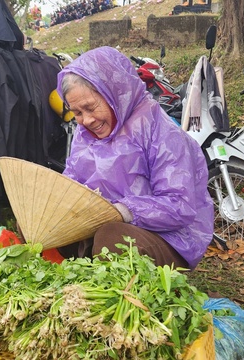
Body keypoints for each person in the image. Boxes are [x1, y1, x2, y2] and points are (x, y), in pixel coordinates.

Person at [55, 46, 214, 270]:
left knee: (112, 238)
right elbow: (71, 182)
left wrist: (124, 211)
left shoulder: (160, 131)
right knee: (41, 227)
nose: (87, 120)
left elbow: (179, 205)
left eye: (90, 108)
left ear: (115, 93)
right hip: (100, 229)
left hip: (166, 239)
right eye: (78, 113)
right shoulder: (85, 134)